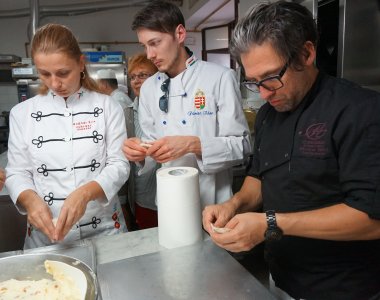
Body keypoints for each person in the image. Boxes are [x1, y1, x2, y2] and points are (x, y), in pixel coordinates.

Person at [202, 2, 380, 300]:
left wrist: (270, 224)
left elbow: (371, 219)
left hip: (344, 288)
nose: (263, 93)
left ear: (306, 54)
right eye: (253, 82)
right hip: (280, 279)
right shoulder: (268, 115)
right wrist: (234, 204)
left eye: (271, 77)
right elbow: (260, 175)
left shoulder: (361, 111)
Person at [5, 23, 130, 249]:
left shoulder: (107, 106)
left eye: (63, 73)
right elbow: (16, 172)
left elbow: (119, 164)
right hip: (46, 236)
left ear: (81, 63)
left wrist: (84, 194)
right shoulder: (22, 113)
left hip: (103, 231)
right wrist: (30, 199)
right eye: (45, 74)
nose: (54, 83)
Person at [123, 0, 251, 210]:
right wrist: (140, 151)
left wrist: (193, 145)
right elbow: (152, 145)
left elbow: (242, 147)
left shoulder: (219, 78)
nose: (149, 55)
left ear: (180, 34)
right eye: (144, 46)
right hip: (169, 202)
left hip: (214, 202)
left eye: (155, 43)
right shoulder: (149, 89)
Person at [126, 53, 159, 229]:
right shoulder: (128, 114)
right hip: (144, 197)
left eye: (143, 75)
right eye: (133, 77)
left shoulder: (171, 109)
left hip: (176, 192)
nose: (136, 81)